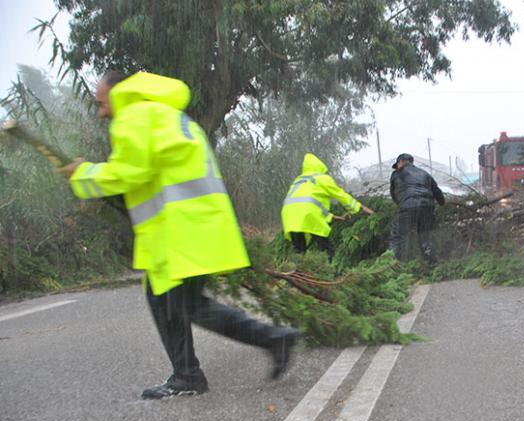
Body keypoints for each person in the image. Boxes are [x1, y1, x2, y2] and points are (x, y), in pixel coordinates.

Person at [57, 71, 298, 400]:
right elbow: (149, 173)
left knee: (185, 305)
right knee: (162, 300)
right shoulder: (169, 115)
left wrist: (83, 174)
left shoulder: (134, 117)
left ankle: (272, 338)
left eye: (101, 103)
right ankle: (187, 375)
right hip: (189, 225)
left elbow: (129, 173)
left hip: (180, 229)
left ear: (120, 92)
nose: (101, 112)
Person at [281, 153, 374, 262]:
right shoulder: (322, 178)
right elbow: (342, 195)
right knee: (326, 249)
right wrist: (360, 207)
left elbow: (308, 205)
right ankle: (331, 273)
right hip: (309, 215)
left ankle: (296, 276)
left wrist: (334, 217)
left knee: (299, 250)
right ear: (320, 166)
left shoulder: (298, 180)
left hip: (289, 216)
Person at [388, 153, 445, 265]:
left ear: (401, 162)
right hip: (427, 206)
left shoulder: (396, 174)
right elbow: (438, 193)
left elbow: (394, 194)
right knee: (425, 237)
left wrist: (401, 205)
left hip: (408, 205)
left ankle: (391, 266)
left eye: (398, 164)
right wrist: (442, 203)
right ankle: (432, 264)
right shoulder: (425, 174)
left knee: (397, 237)